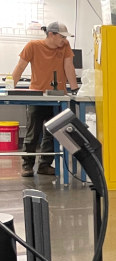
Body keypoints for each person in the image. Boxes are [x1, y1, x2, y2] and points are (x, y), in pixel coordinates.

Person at [7, 21, 79, 177]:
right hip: (37, 96)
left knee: (53, 132)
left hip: (58, 97)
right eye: (61, 36)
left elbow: (69, 66)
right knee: (33, 132)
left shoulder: (65, 46)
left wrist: (74, 89)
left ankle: (44, 165)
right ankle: (27, 166)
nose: (64, 40)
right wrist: (8, 88)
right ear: (51, 34)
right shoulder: (33, 46)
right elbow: (20, 67)